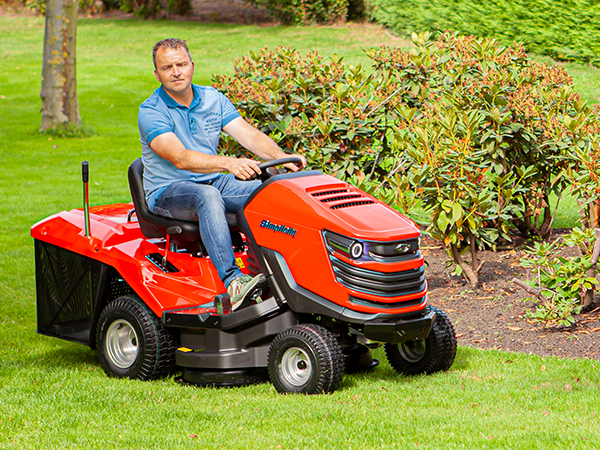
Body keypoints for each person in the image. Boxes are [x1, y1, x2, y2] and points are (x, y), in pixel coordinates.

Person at [138, 38, 305, 310]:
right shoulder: (151, 111)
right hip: (169, 192)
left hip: (214, 181)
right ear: (157, 74)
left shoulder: (213, 99)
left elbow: (248, 135)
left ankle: (287, 270)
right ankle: (234, 282)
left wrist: (281, 159)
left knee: (274, 194)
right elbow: (180, 159)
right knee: (208, 196)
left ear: (192, 66)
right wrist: (229, 163)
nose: (176, 72)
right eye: (167, 67)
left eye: (181, 64)